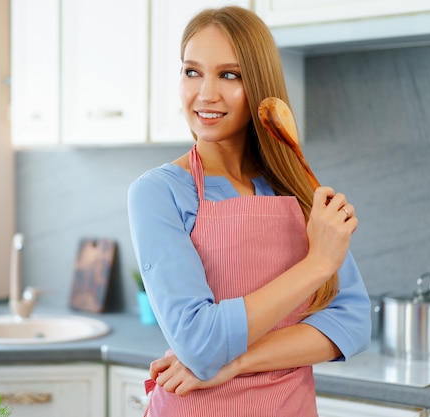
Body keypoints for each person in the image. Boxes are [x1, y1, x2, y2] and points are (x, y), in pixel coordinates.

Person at [127, 6, 371, 417]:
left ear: (258, 86)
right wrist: (316, 264)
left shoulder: (294, 189)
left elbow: (353, 322)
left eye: (229, 75)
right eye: (192, 72)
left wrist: (234, 363)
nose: (205, 94)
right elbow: (198, 343)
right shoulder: (158, 192)